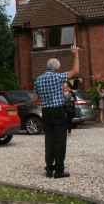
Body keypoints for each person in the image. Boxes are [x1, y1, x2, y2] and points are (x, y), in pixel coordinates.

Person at [34, 45, 79, 179]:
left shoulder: (38, 80)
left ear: (47, 67)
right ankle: (59, 170)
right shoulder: (58, 77)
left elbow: (36, 98)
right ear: (57, 68)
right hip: (58, 111)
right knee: (59, 140)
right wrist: (75, 55)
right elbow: (75, 71)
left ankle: (49, 169)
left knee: (49, 140)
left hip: (46, 112)